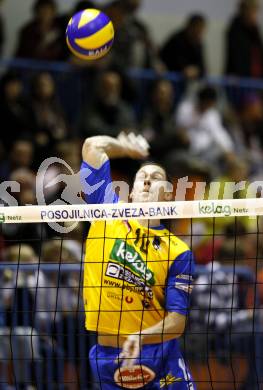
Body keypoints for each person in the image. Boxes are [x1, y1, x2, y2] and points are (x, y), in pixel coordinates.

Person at [81, 133, 196, 389]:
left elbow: (177, 322)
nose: (146, 180)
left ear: (167, 195)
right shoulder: (107, 212)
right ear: (131, 192)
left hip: (160, 354)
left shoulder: (178, 250)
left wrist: (142, 337)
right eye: (141, 177)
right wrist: (126, 149)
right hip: (109, 359)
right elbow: (92, 146)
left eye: (156, 178)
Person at [160, 14, 207, 79]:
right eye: (198, 29)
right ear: (191, 27)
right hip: (168, 79)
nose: (200, 33)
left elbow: (203, 68)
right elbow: (173, 61)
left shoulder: (198, 44)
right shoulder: (177, 40)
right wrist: (186, 69)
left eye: (202, 30)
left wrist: (197, 71)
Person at [225, 0, 263, 78]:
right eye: (252, 11)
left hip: (256, 76)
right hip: (239, 78)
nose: (255, 15)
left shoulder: (254, 30)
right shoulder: (235, 29)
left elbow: (258, 53)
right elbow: (236, 57)